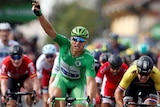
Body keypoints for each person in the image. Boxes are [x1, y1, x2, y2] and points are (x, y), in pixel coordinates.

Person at [32, 2, 97, 107]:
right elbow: (49, 31)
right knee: (55, 98)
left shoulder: (88, 58)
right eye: (75, 39)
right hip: (62, 79)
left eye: (81, 40)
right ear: (71, 39)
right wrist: (39, 15)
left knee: (81, 105)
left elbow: (90, 81)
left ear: (85, 42)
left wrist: (90, 96)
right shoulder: (64, 43)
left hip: (78, 83)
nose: (77, 43)